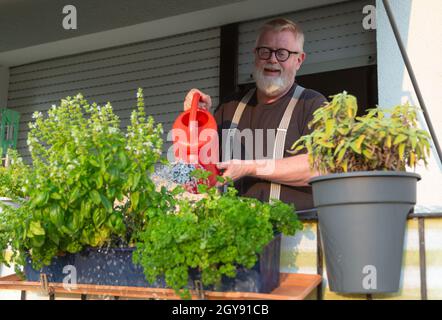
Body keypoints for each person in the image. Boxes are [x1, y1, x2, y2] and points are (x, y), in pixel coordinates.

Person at [183, 18, 327, 211]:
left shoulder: (312, 105)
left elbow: (321, 166)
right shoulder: (230, 107)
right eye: (265, 51)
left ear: (299, 60)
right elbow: (199, 168)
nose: (272, 59)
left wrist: (250, 167)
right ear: (255, 55)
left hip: (295, 234)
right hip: (232, 231)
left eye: (282, 53)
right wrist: (198, 119)